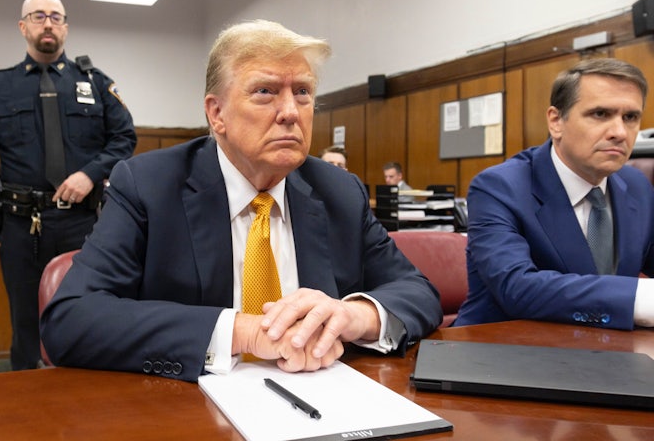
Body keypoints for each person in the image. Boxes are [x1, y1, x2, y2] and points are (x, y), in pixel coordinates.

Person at [41, 20, 442, 382]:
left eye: (302, 92)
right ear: (217, 114)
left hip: (323, 404)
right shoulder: (149, 186)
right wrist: (244, 331)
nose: (290, 112)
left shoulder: (339, 191)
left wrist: (353, 316)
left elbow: (417, 291)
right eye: (265, 92)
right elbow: (71, 319)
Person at [0, 0, 137, 370]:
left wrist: (91, 174)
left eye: (56, 17)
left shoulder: (96, 83)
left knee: (86, 312)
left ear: (66, 28)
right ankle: (26, 408)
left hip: (84, 223)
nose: (48, 24)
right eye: (38, 16)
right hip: (22, 226)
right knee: (26, 324)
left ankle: (83, 402)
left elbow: (125, 138)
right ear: (23, 27)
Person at [454, 58, 654, 330]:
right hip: (503, 355)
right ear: (556, 121)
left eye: (630, 117)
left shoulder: (636, 185)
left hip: (607, 354)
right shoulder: (499, 187)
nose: (619, 132)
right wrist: (639, 299)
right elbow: (517, 288)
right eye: (600, 114)